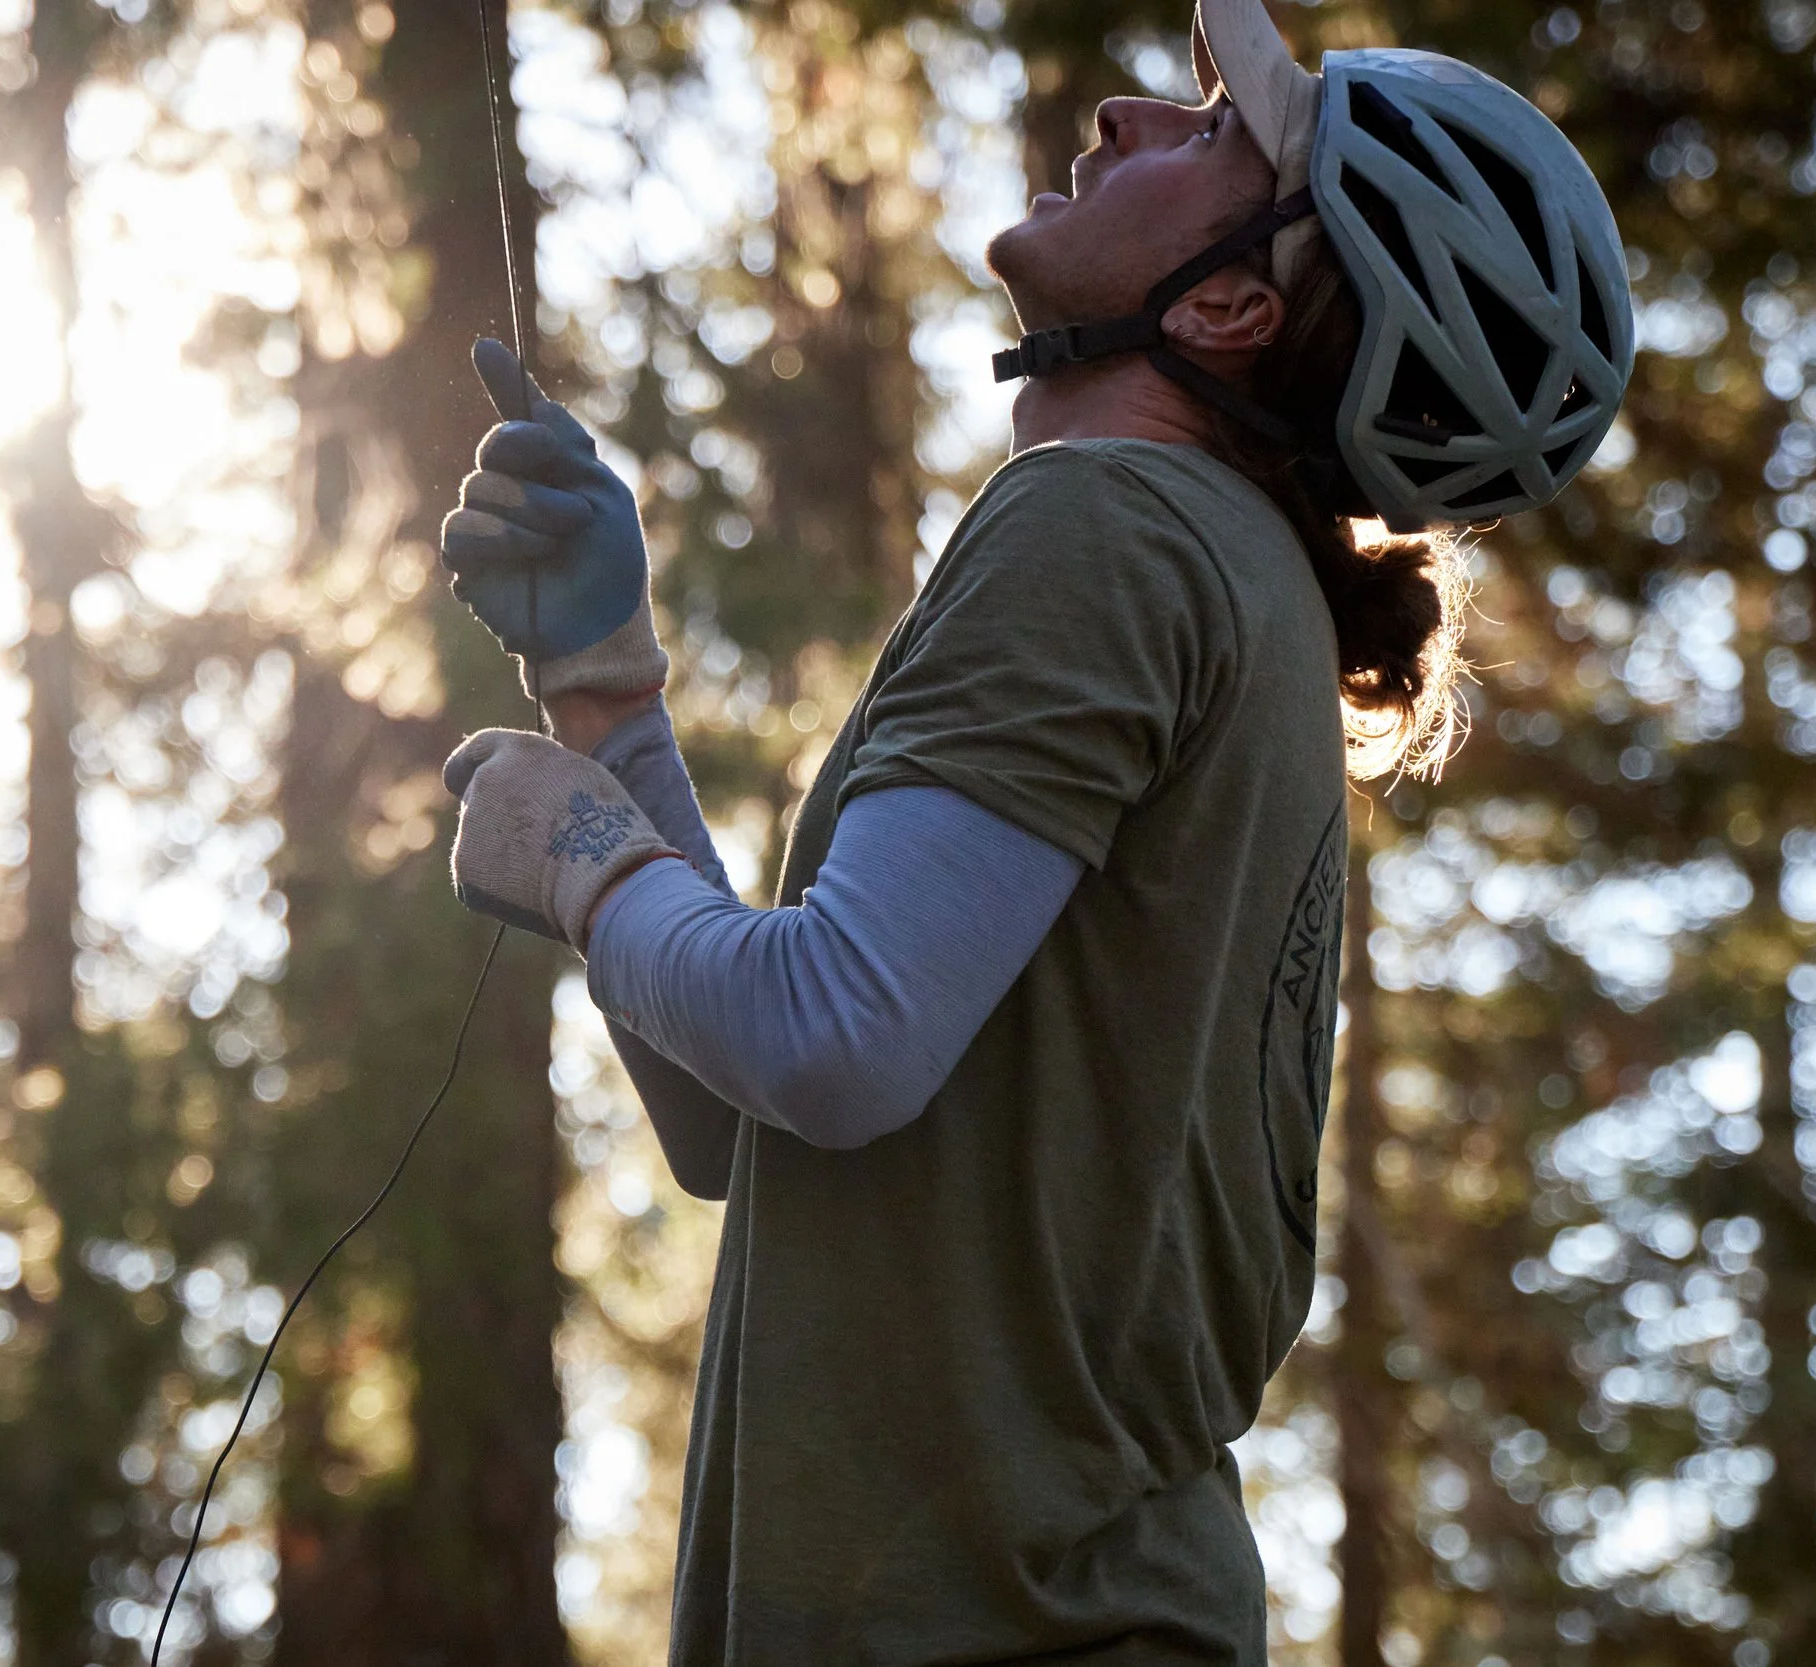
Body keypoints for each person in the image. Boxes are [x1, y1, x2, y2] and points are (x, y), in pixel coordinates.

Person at [436, 0, 1634, 1659]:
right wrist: (605, 700)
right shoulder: (1227, 576)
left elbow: (831, 1040)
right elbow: (761, 1120)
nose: (1131, 115)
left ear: (1226, 307)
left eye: (1216, 138)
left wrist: (586, 861)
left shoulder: (1112, 524)